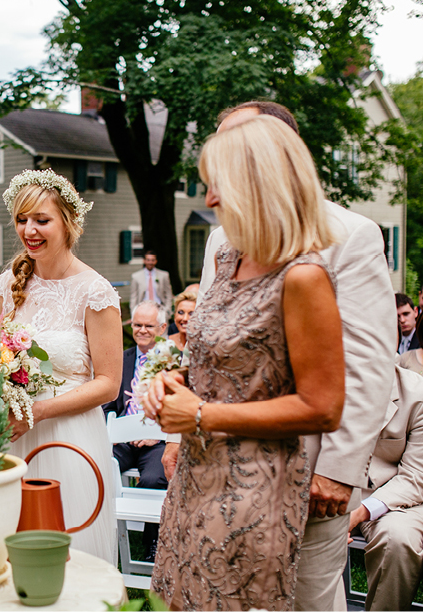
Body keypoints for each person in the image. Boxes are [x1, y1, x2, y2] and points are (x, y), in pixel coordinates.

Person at [159, 100, 396, 611]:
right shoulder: (224, 242)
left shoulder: (347, 236)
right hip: (208, 460)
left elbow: (369, 362)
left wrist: (337, 468)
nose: (211, 194)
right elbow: (216, 338)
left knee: (302, 597)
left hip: (299, 465)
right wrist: (179, 399)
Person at [0, 169, 122, 563]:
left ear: (68, 223)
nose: (29, 230)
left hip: (70, 436)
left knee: (68, 553)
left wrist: (39, 412)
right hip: (12, 433)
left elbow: (108, 384)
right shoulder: (4, 287)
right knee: (8, 550)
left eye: (41, 220)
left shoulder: (95, 291)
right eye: (21, 219)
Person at [347, 363, 423, 611]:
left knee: (398, 539)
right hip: (334, 489)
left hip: (398, 497)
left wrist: (361, 512)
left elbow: (419, 475)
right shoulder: (319, 380)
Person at [103, 300, 168, 561]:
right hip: (123, 440)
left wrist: (159, 434)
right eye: (137, 324)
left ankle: (152, 541)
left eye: (149, 325)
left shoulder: (173, 362)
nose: (142, 330)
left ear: (162, 328)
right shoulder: (123, 358)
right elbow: (108, 401)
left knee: (154, 479)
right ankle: (107, 534)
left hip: (158, 440)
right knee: (101, 469)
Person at [130, 249, 172, 314]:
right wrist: (133, 312)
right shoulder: (136, 276)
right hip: (143, 309)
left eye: (153, 260)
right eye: (148, 260)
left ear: (156, 261)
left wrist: (167, 310)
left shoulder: (164, 275)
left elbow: (168, 294)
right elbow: (134, 296)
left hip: (159, 309)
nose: (150, 262)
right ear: (144, 261)